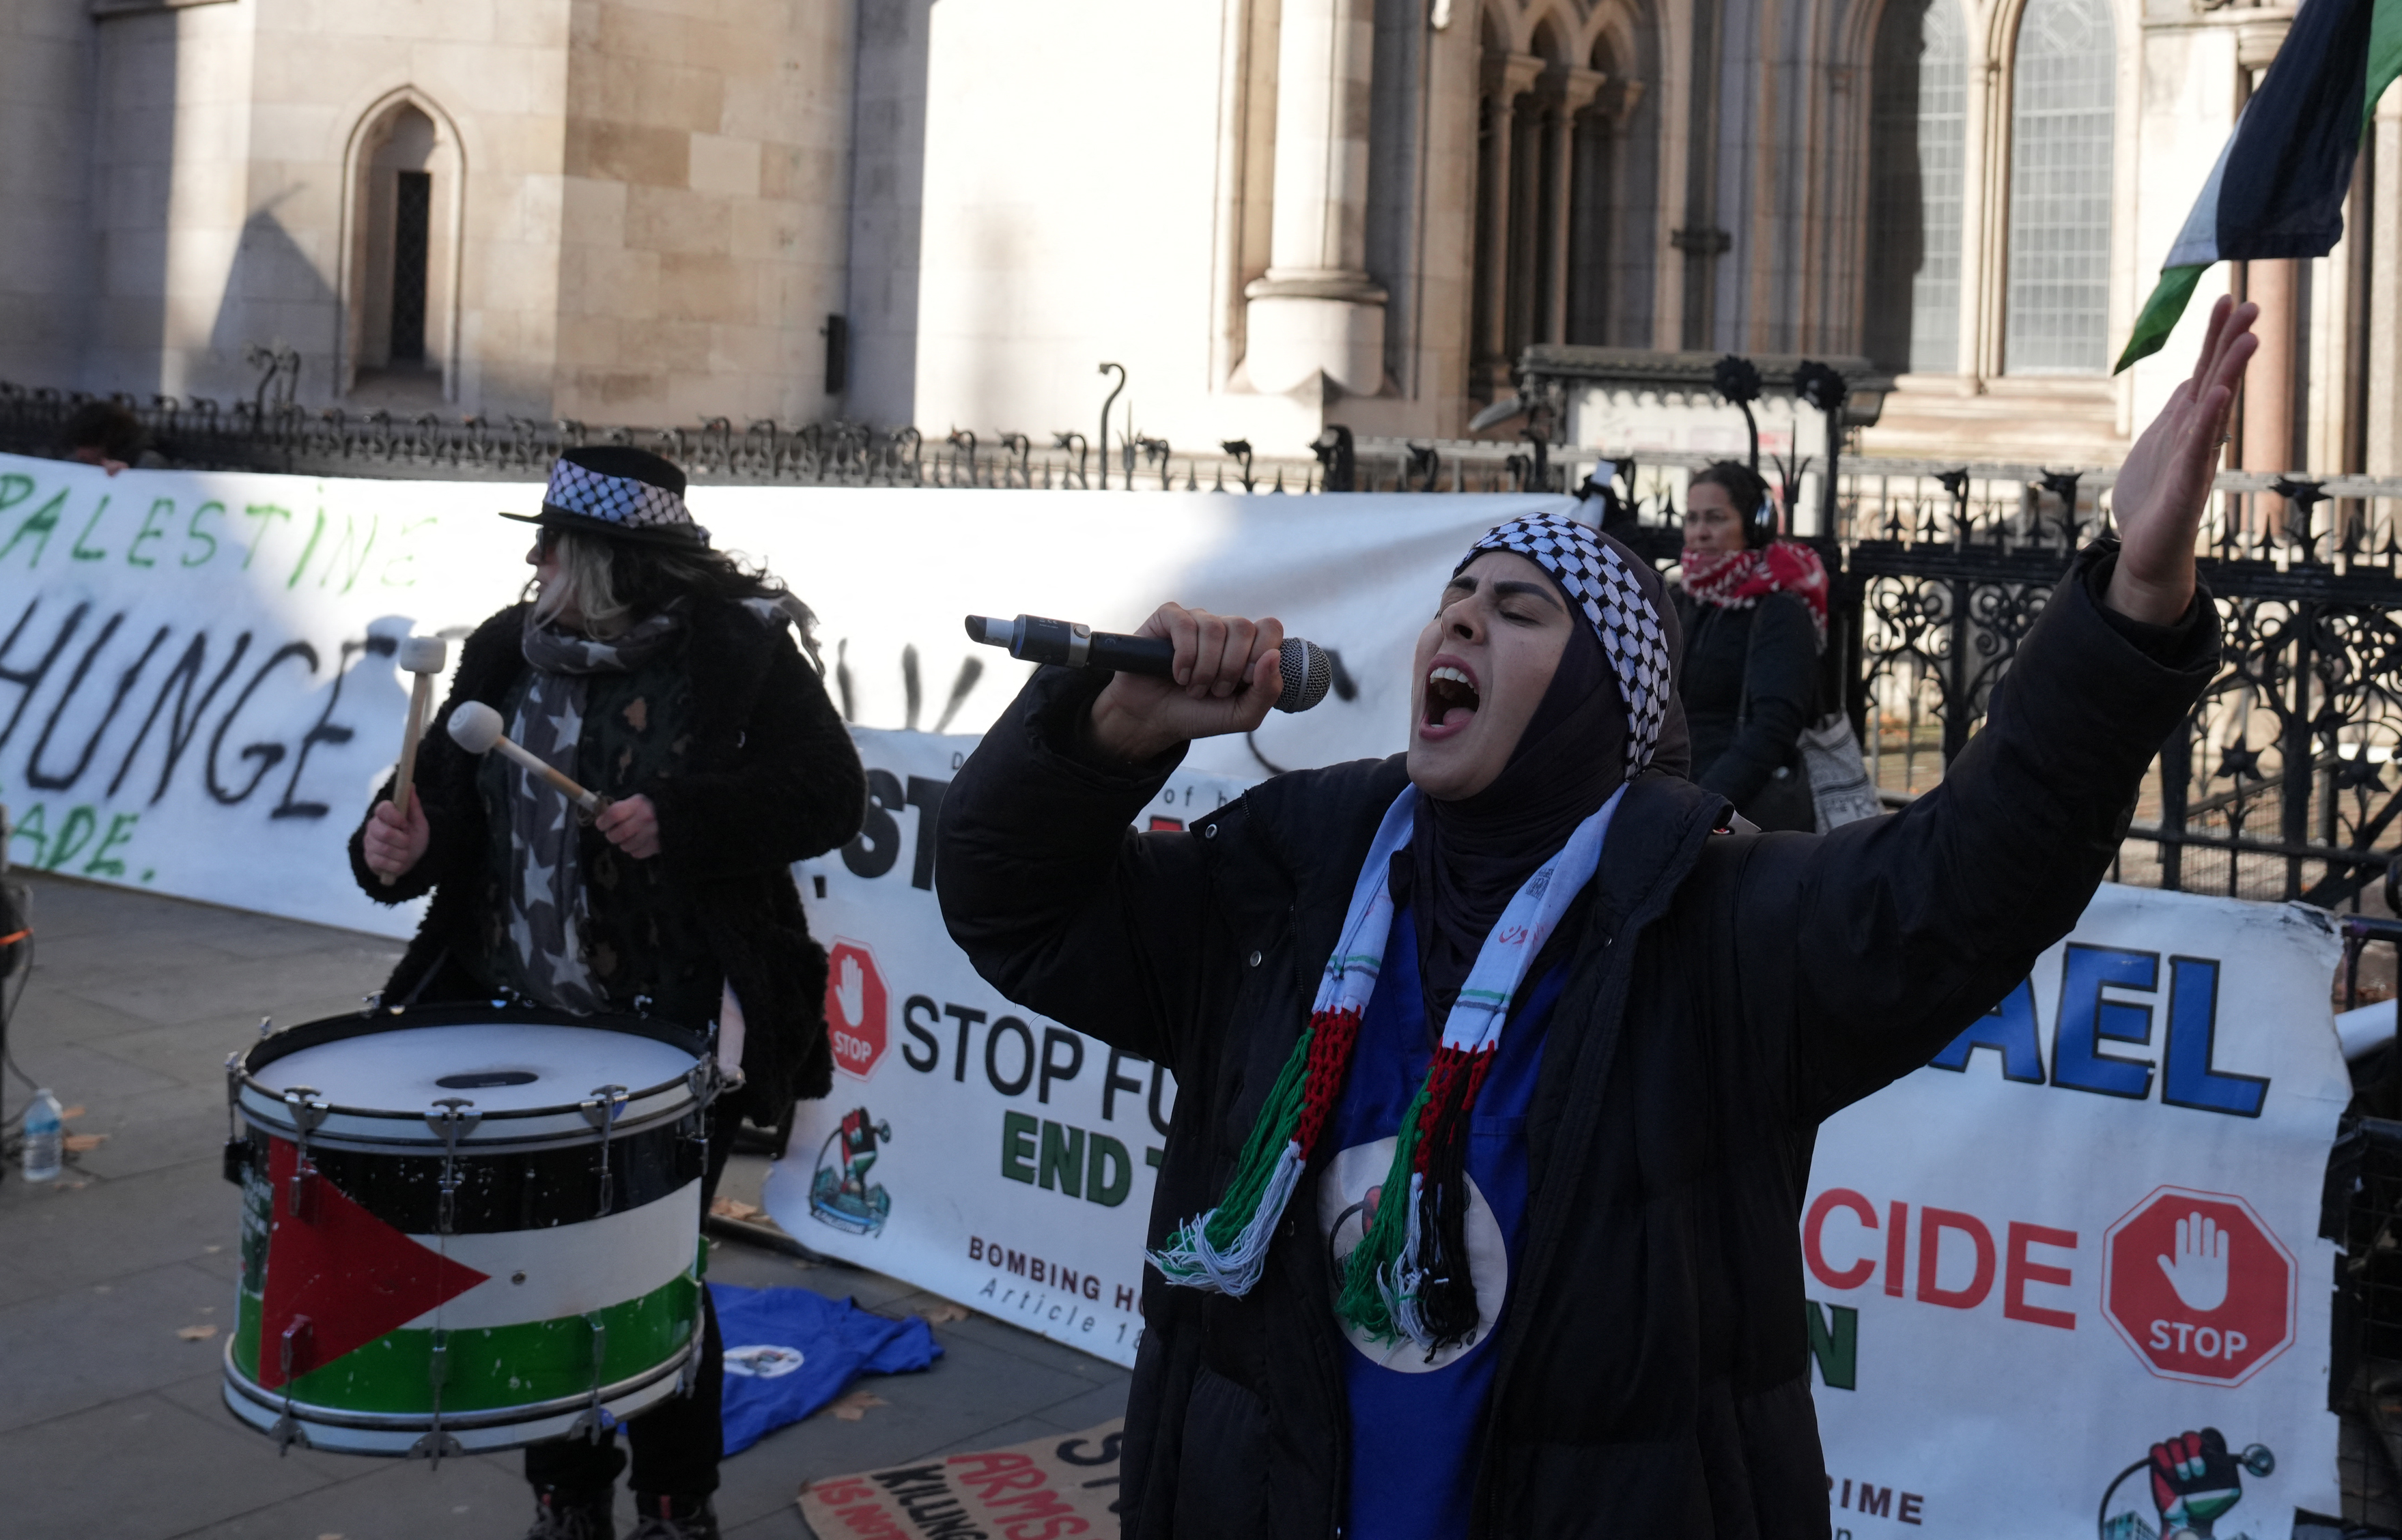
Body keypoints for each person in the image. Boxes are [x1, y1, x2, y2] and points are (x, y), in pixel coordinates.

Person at [939, 299, 2259, 1537]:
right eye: (1458, 599)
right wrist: (1108, 734)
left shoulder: (1711, 921)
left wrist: (2128, 605)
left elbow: (1971, 883)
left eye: (1521, 610)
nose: (1464, 614)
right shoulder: (1287, 880)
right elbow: (1014, 907)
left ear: (1600, 705)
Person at [348, 446, 864, 1540]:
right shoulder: (504, 648)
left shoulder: (736, 651)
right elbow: (437, 811)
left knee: (649, 1270)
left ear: (609, 558)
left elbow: (828, 794)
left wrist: (685, 814)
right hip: (521, 1017)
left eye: (553, 541)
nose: (533, 558)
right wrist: (393, 839)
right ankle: (565, 1498)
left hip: (675, 1026)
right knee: (540, 1265)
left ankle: (677, 1505)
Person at [1666, 459, 1827, 831]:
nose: (1700, 533)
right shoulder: (1678, 600)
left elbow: (1774, 726)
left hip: (1738, 815)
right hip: (1671, 798)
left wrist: (1704, 805)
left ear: (1756, 526)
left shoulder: (1779, 608)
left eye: (1715, 518)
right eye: (1692, 519)